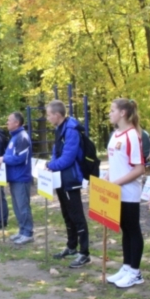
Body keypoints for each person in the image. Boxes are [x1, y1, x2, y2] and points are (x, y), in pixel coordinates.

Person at [104, 99, 147, 288]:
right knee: (124, 230)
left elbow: (139, 169)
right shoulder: (115, 134)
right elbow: (116, 163)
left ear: (123, 113)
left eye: (112, 110)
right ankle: (127, 266)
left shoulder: (132, 136)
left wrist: (116, 183)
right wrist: (107, 177)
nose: (110, 113)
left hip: (128, 192)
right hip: (115, 192)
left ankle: (136, 272)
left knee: (132, 229)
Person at [46, 100, 91, 269]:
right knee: (66, 214)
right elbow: (56, 152)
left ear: (57, 115)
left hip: (71, 178)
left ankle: (84, 253)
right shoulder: (60, 128)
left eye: (49, 114)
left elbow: (68, 158)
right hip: (60, 177)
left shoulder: (71, 130)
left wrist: (50, 166)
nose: (48, 118)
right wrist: (51, 164)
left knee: (76, 215)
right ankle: (72, 246)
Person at [0, 112, 33, 245]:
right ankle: (22, 231)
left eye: (9, 120)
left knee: (23, 206)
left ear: (17, 123)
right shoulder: (14, 137)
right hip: (14, 177)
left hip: (21, 177)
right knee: (17, 206)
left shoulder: (22, 137)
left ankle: (28, 233)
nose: (7, 122)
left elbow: (21, 158)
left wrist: (4, 158)